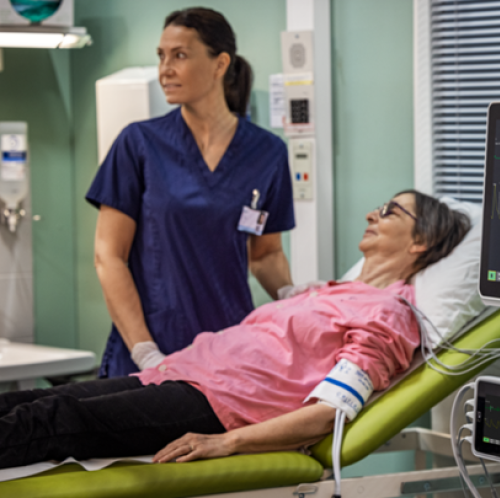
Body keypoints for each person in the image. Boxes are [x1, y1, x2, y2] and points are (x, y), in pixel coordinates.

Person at [0, 191, 470, 469]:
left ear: (421, 241)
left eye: (390, 212)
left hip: (218, 406)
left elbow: (333, 411)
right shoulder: (325, 291)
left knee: (56, 417)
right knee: (28, 402)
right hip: (174, 376)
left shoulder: (389, 315)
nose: (372, 214)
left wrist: (227, 442)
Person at [86, 8, 295, 378]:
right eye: (161, 56)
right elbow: (108, 257)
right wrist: (144, 350)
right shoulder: (139, 144)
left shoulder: (267, 153)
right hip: (149, 350)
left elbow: (265, 254)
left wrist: (294, 296)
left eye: (179, 55)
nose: (165, 69)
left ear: (220, 64)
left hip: (227, 351)